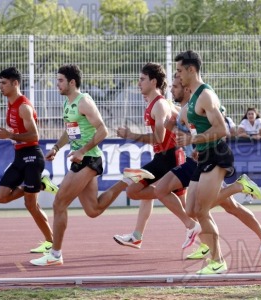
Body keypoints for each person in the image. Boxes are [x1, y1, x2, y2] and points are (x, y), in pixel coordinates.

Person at [163, 75, 261, 263]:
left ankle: (213, 250)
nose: (173, 89)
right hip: (201, 158)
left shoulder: (201, 100)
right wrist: (195, 147)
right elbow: (192, 132)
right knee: (228, 207)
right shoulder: (184, 110)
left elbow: (217, 128)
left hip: (212, 158)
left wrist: (198, 143)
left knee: (203, 208)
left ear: (186, 88)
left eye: (175, 86)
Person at [30, 64, 132, 266]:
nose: (56, 84)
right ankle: (127, 180)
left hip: (88, 159)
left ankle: (55, 254)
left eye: (60, 80)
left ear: (72, 82)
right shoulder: (67, 104)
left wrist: (82, 151)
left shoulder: (84, 101)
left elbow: (103, 131)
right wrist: (58, 148)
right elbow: (71, 131)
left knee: (59, 203)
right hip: (82, 158)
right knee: (93, 210)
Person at [112, 63, 189, 249]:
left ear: (153, 81)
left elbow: (160, 138)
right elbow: (177, 120)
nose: (139, 83)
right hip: (164, 157)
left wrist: (131, 135)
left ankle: (194, 228)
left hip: (169, 158)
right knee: (147, 192)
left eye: (142, 79)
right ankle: (137, 236)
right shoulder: (159, 104)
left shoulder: (160, 105)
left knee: (135, 190)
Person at [174, 50, 234, 275]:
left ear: (191, 70)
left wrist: (193, 140)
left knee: (202, 209)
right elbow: (202, 127)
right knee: (191, 209)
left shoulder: (205, 95)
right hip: (204, 154)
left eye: (180, 70)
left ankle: (218, 261)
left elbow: (222, 129)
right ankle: (211, 250)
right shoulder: (193, 98)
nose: (177, 75)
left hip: (217, 154)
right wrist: (197, 146)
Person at [0, 66, 58, 254]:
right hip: (19, 157)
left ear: (16, 83)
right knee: (1, 197)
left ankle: (50, 242)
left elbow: (34, 135)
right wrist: (11, 135)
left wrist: (10, 135)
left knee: (31, 205)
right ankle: (39, 184)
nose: (0, 87)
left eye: (4, 83)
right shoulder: (10, 103)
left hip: (32, 156)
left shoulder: (23, 106)